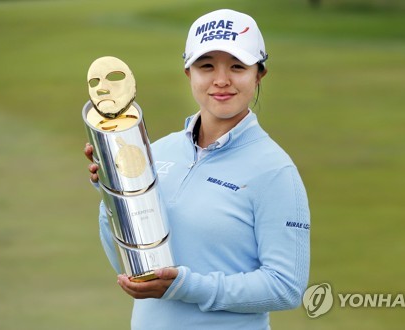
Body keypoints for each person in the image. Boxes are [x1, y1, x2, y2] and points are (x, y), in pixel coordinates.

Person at [84, 9, 310, 330]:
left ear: (259, 74)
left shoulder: (274, 170)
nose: (221, 80)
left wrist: (186, 287)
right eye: (207, 66)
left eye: (237, 66)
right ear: (189, 73)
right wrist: (114, 195)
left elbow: (286, 288)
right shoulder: (157, 152)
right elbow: (130, 265)